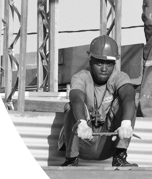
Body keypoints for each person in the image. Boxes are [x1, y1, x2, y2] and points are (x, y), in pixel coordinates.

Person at [58, 35, 137, 167]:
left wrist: (126, 123)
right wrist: (82, 123)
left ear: (114, 64)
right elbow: (76, 99)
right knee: (71, 107)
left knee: (126, 103)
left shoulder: (120, 77)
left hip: (108, 142)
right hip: (84, 139)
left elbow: (129, 96)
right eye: (99, 63)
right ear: (90, 61)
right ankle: (71, 160)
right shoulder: (80, 77)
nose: (104, 69)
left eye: (109, 64)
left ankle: (120, 157)